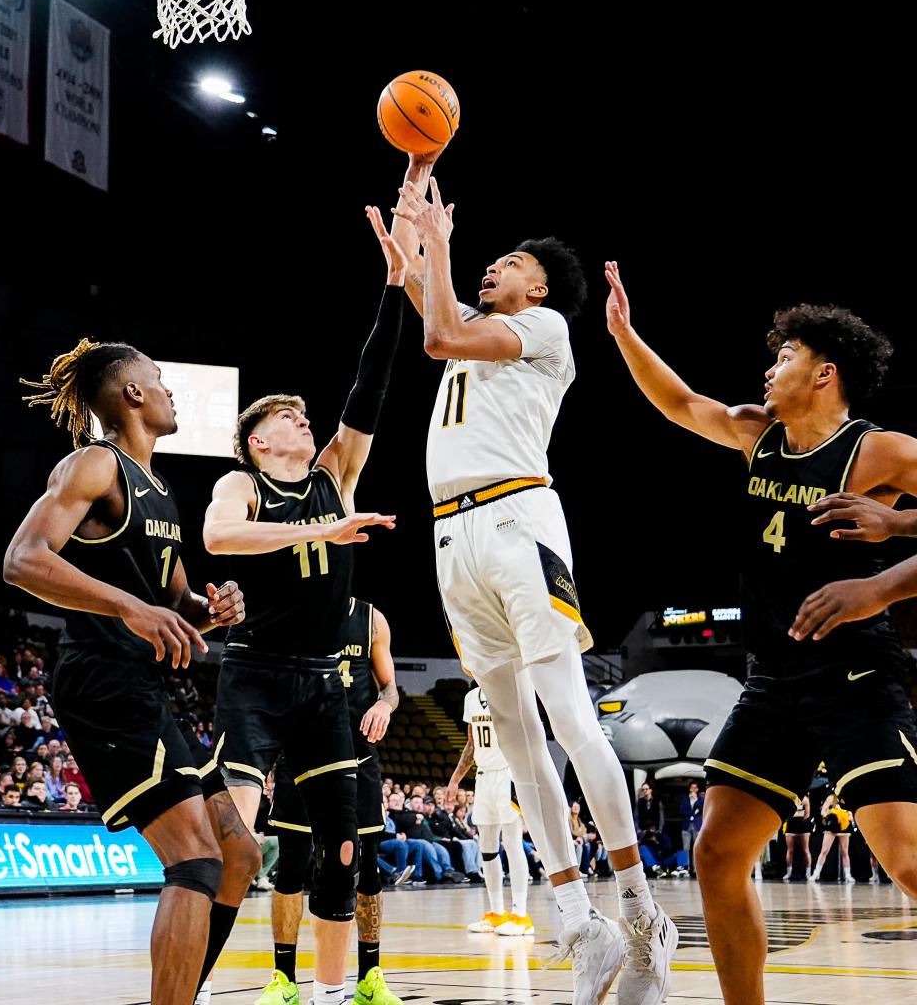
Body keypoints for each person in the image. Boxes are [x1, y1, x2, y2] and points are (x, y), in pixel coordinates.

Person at [376, 160, 675, 1003]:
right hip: (452, 537)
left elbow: (434, 331)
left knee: (570, 719)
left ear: (538, 287)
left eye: (508, 262)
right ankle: (581, 925)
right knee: (512, 736)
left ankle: (644, 915)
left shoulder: (546, 331)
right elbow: (419, 289)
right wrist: (418, 173)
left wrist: (433, 251)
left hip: (518, 524)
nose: (492, 268)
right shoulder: (472, 324)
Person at [605, 265, 917, 1005]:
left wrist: (889, 552)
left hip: (855, 677)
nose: (768, 369)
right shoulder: (757, 435)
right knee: (717, 854)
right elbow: (681, 403)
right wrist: (624, 335)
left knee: (907, 861)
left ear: (824, 373)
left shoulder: (881, 452)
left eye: (783, 358)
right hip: (773, 683)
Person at [4, 338, 258, 1005]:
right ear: (132, 395)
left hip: (146, 683)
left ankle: (177, 994)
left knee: (240, 858)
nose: (171, 390)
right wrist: (131, 608)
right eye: (160, 379)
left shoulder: (164, 493)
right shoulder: (93, 465)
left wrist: (214, 611)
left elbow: (177, 609)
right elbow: (22, 559)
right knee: (196, 860)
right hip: (102, 680)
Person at [202, 226, 405, 1005]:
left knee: (344, 856)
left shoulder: (336, 474)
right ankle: (194, 978)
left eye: (304, 415)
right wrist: (323, 530)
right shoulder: (241, 485)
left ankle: (326, 992)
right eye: (290, 417)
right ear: (258, 439)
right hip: (254, 678)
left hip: (328, 687)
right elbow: (219, 537)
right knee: (241, 848)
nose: (305, 422)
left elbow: (372, 382)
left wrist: (393, 286)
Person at [259, 602, 405, 1005]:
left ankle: (369, 977)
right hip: (300, 754)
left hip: (358, 757)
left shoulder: (372, 618)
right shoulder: (292, 610)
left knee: (367, 868)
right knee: (291, 867)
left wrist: (383, 704)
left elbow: (390, 687)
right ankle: (283, 979)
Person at [449, 684, 532, 936]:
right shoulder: (471, 698)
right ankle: (496, 913)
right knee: (487, 847)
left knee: (512, 843)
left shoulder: (508, 691)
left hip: (508, 775)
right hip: (483, 777)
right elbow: (471, 744)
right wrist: (455, 780)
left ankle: (520, 915)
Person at [812, 792, 855, 883]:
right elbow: (823, 812)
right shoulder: (831, 798)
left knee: (844, 851)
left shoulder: (845, 796)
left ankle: (848, 875)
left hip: (844, 827)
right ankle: (816, 873)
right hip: (832, 826)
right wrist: (832, 813)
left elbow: (851, 815)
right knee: (824, 850)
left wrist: (844, 814)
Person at [782, 796, 813, 881]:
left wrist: (800, 818)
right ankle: (788, 873)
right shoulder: (790, 797)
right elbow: (785, 811)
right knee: (790, 850)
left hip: (802, 825)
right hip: (790, 825)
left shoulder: (806, 799)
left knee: (805, 850)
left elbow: (807, 814)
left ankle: (808, 874)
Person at [679, 783, 704, 875]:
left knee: (696, 847)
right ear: (689, 789)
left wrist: (696, 799)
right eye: (691, 788)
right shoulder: (685, 799)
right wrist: (693, 813)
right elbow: (682, 810)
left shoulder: (700, 799)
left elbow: (702, 808)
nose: (693, 789)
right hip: (686, 825)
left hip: (697, 825)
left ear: (697, 789)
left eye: (695, 788)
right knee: (686, 848)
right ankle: (686, 868)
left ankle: (696, 869)